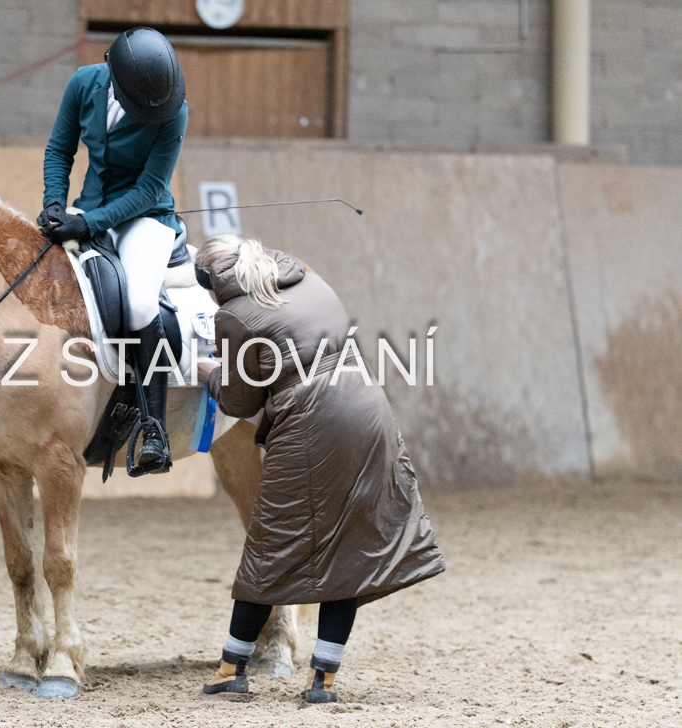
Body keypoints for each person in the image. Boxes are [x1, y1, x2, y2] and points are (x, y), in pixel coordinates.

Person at [193, 234, 446, 703]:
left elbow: (241, 401)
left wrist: (212, 377)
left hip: (313, 423)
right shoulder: (311, 280)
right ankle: (323, 679)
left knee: (269, 544)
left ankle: (232, 667)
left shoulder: (233, 316)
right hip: (369, 409)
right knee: (348, 546)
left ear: (211, 281)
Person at [37, 28, 188, 476]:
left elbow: (149, 189)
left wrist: (89, 223)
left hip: (145, 218)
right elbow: (59, 150)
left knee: (139, 303)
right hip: (86, 208)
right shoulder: (83, 83)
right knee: (32, 274)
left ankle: (154, 428)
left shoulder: (173, 111)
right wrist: (53, 204)